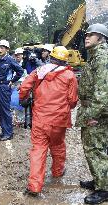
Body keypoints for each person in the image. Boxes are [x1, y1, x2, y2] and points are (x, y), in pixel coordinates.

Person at [19, 46, 78, 196]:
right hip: (59, 120)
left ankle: (34, 186)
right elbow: (72, 101)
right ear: (65, 60)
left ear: (51, 56)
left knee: (38, 149)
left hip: (40, 119)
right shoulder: (70, 75)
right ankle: (57, 172)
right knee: (58, 145)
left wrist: (22, 99)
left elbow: (24, 87)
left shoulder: (40, 70)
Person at [75, 23, 108, 204]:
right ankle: (99, 180)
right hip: (93, 109)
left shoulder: (102, 57)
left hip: (97, 112)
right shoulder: (96, 56)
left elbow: (103, 92)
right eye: (86, 34)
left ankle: (104, 189)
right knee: (95, 149)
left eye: (92, 35)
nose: (87, 37)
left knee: (95, 150)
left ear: (101, 38)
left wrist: (93, 115)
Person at [0, 40, 24, 141]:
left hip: (4, 87)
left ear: (7, 49)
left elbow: (20, 71)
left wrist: (12, 81)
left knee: (5, 110)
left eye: (3, 48)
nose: (0, 49)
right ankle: (4, 131)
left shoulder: (10, 60)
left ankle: (9, 133)